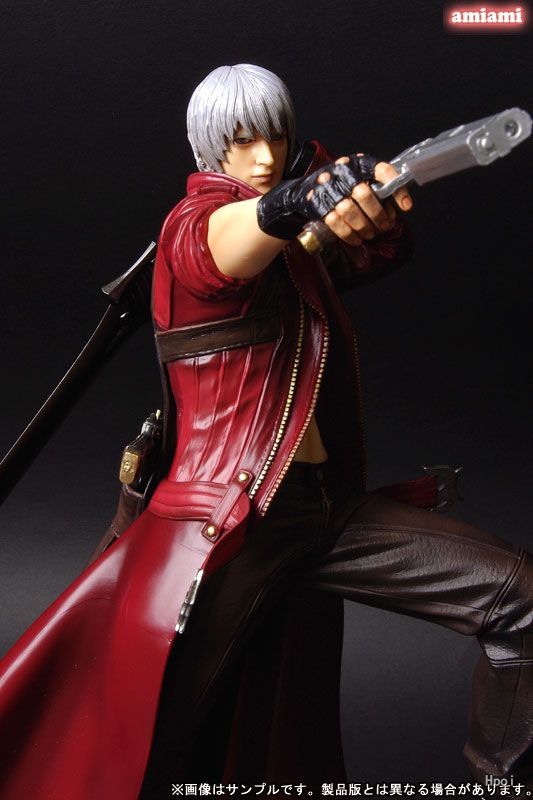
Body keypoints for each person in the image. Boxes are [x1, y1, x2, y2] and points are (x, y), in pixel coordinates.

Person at [0, 63, 531, 800]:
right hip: (225, 525)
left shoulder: (294, 248)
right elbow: (227, 240)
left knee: (518, 598)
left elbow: (371, 252)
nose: (261, 156)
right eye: (240, 141)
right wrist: (297, 198)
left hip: (323, 512)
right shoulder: (192, 228)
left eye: (274, 138)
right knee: (153, 743)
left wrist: (367, 207)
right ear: (208, 147)